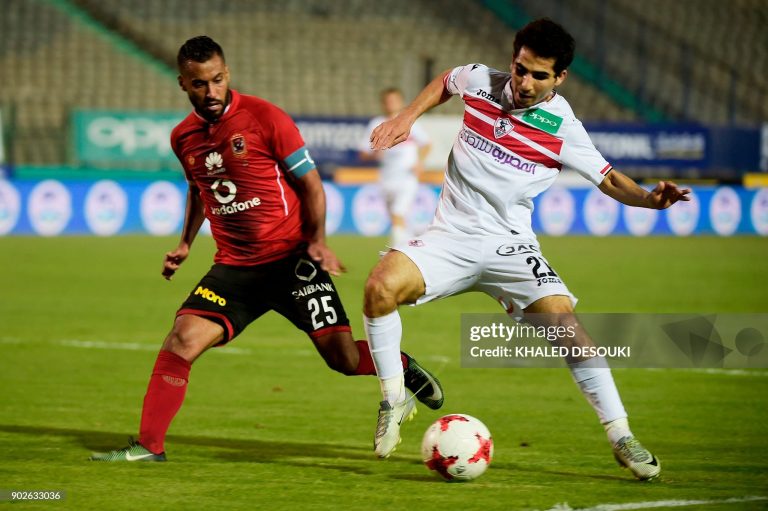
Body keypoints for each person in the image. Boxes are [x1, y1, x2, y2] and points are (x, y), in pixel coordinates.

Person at [362, 19, 690, 480]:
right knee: (379, 287)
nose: (525, 82)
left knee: (567, 328)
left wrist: (650, 200)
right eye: (521, 69)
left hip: (510, 246)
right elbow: (445, 81)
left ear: (560, 78)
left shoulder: (563, 127)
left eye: (540, 75)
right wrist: (406, 117)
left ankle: (621, 435)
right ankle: (394, 397)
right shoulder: (481, 80)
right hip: (450, 238)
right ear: (512, 59)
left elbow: (610, 178)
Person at [90, 36, 443, 462]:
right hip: (235, 269)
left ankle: (401, 367)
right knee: (181, 341)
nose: (212, 91)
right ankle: (149, 446)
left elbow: (311, 185)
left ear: (227, 75)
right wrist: (184, 243)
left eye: (218, 80)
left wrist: (316, 241)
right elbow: (198, 190)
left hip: (292, 261)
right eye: (200, 84)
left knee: (343, 359)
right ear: (184, 84)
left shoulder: (264, 117)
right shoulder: (183, 137)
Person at [359, 88, 431, 247]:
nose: (391, 104)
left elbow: (426, 144)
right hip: (386, 178)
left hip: (407, 177)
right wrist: (374, 153)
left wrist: (420, 162)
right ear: (383, 104)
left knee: (398, 214)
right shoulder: (376, 124)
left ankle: (395, 253)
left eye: (394, 100)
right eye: (388, 101)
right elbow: (363, 153)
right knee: (396, 218)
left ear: (401, 102)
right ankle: (415, 246)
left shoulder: (409, 122)